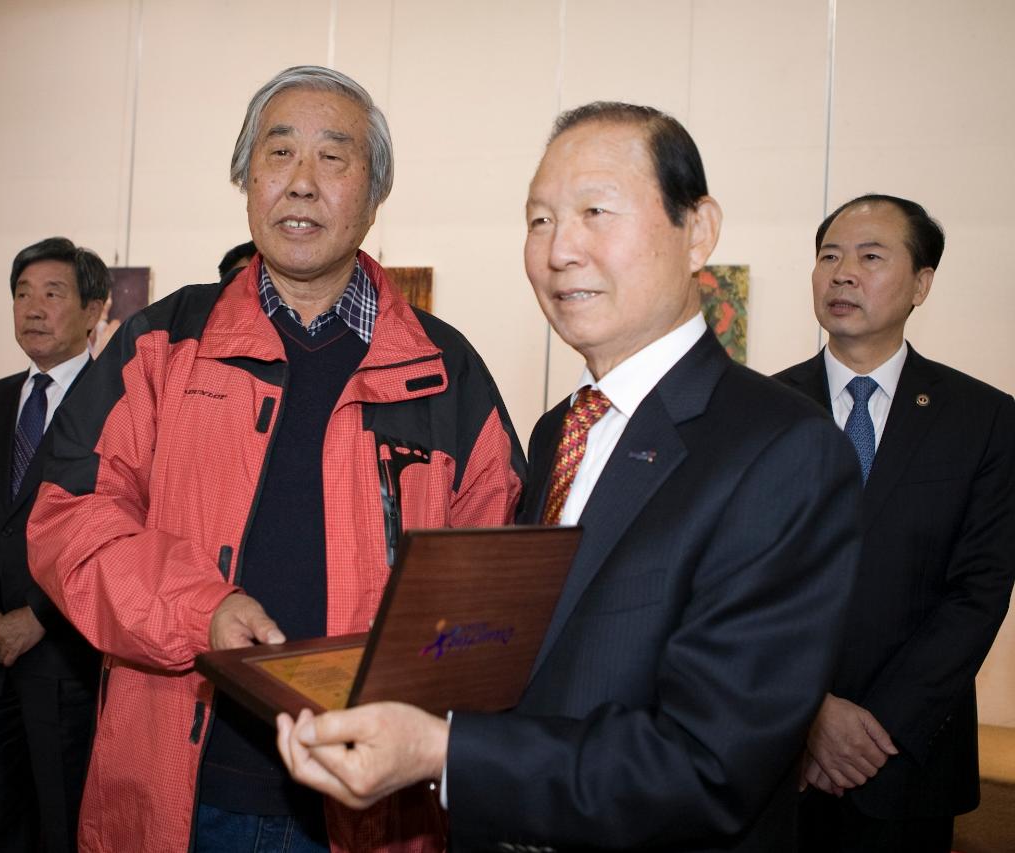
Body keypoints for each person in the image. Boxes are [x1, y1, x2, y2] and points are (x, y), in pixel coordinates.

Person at [275, 102, 865, 852]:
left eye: (595, 211)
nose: (560, 251)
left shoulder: (784, 450)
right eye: (540, 220)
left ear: (700, 231)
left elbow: (707, 765)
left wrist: (441, 752)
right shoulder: (564, 427)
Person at [26, 66, 524, 852]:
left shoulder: (446, 369)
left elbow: (494, 585)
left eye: (334, 157)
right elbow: (71, 523)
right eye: (278, 152)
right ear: (245, 177)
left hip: (369, 800)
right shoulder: (162, 343)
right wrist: (202, 610)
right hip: (181, 794)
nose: (301, 183)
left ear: (374, 190)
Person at [774, 194, 1015, 853]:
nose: (842, 272)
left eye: (871, 256)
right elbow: (731, 581)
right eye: (829, 255)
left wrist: (877, 723)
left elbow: (981, 588)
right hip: (773, 752)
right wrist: (810, 711)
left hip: (907, 754)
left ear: (922, 283)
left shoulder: (984, 419)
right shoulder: (757, 411)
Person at [0, 237, 108, 853]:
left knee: (65, 819)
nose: (32, 308)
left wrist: (38, 616)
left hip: (67, 656)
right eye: (21, 294)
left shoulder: (117, 402)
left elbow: (115, 529)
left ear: (93, 310)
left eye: (53, 294)